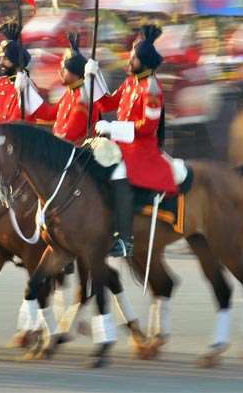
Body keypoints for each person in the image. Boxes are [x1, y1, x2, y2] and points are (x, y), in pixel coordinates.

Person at [91, 24, 177, 257]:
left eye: (132, 59)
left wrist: (112, 128)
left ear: (144, 61)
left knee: (118, 173)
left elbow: (148, 128)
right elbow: (106, 104)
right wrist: (94, 76)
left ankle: (125, 239)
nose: (128, 63)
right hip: (123, 143)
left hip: (141, 148)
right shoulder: (130, 82)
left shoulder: (152, 89)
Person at [34, 30, 108, 144]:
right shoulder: (70, 94)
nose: (60, 72)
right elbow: (48, 114)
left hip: (77, 155)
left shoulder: (84, 99)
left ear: (75, 72)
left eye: (64, 69)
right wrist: (26, 93)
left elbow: (69, 134)